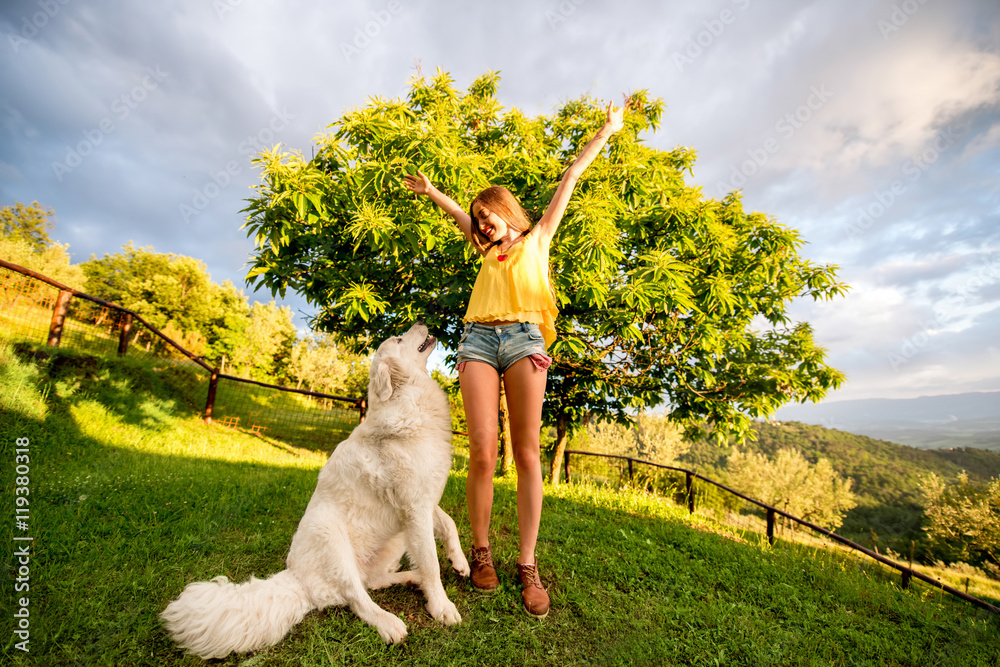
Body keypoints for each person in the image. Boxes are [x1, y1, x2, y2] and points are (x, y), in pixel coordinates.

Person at [403, 100, 625, 618]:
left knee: (526, 452)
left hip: (526, 342)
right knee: (482, 449)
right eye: (478, 220)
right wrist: (433, 192)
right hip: (478, 341)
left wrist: (608, 130)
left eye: (489, 215)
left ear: (507, 212)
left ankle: (527, 564)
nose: (482, 223)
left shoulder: (538, 237)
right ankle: (480, 552)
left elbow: (572, 173)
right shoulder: (484, 251)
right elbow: (457, 212)